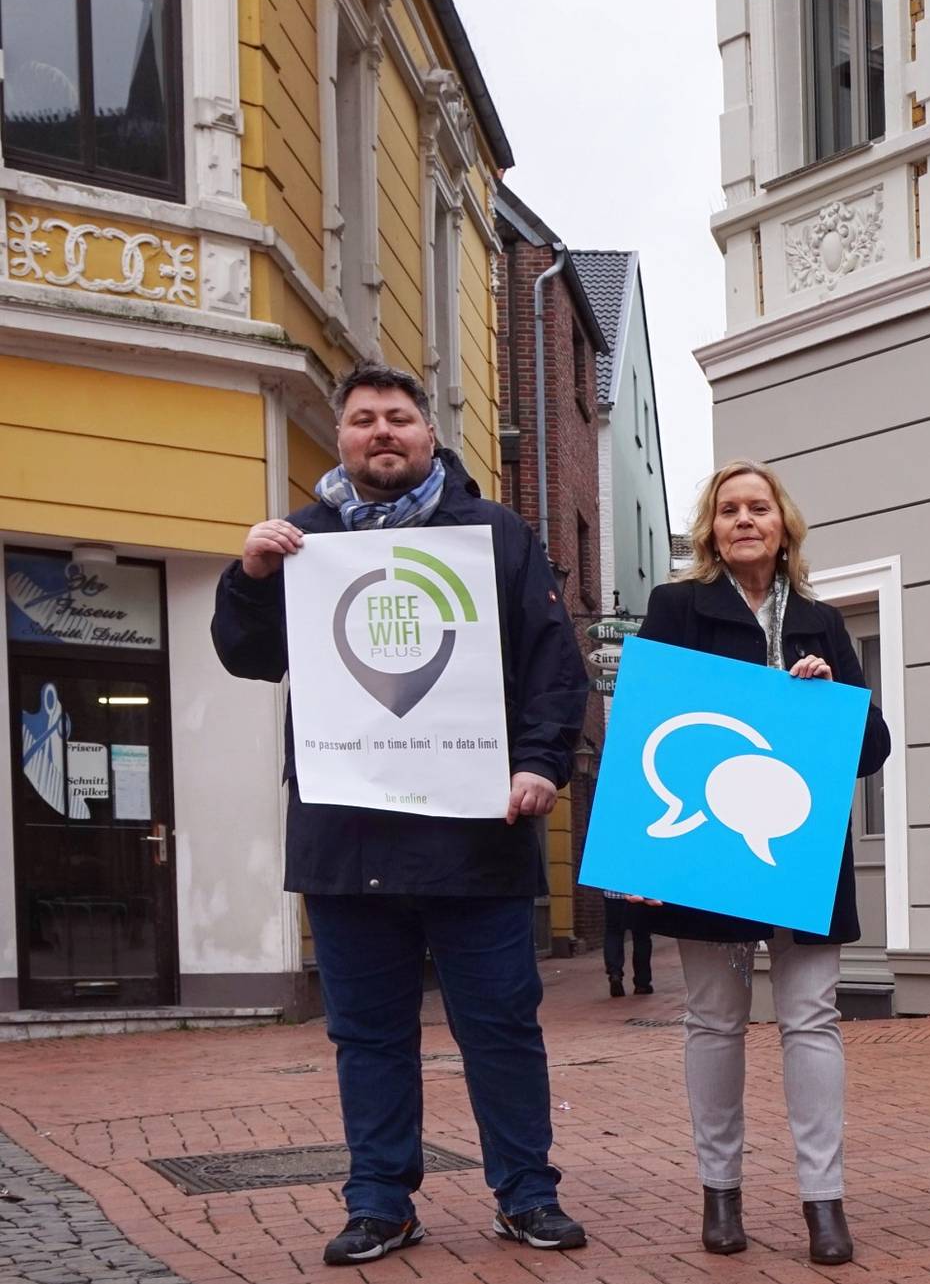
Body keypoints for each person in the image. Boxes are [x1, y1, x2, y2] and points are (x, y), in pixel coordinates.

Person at [211, 363, 590, 1266]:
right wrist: (252, 575)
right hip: (348, 842)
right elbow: (251, 659)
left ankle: (526, 1193)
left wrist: (540, 764)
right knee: (366, 1033)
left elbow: (553, 663)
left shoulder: (495, 534)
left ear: (429, 436)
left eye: (399, 418)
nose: (382, 432)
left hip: (476, 836)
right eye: (363, 420)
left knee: (499, 1024)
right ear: (340, 438)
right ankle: (380, 1200)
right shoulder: (302, 544)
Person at [627, 460, 891, 1268]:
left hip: (802, 853)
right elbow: (647, 727)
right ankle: (720, 1192)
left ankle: (824, 1199)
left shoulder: (820, 619)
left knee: (811, 1020)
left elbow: (870, 747)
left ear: (784, 525)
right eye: (729, 509)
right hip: (706, 848)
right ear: (711, 527)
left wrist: (829, 699)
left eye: (759, 507)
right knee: (713, 1020)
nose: (745, 520)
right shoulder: (676, 609)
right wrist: (640, 850)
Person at [602, 891, 653, 997]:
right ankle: (642, 983)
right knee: (641, 936)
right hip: (638, 894)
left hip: (612, 895)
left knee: (613, 933)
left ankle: (614, 973)